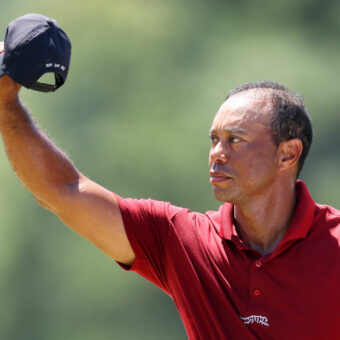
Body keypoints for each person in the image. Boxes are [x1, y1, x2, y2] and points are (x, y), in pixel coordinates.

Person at [0, 41, 339, 338]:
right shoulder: (180, 239)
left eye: (235, 140)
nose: (217, 153)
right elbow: (63, 190)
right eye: (214, 140)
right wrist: (5, 103)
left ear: (288, 154)